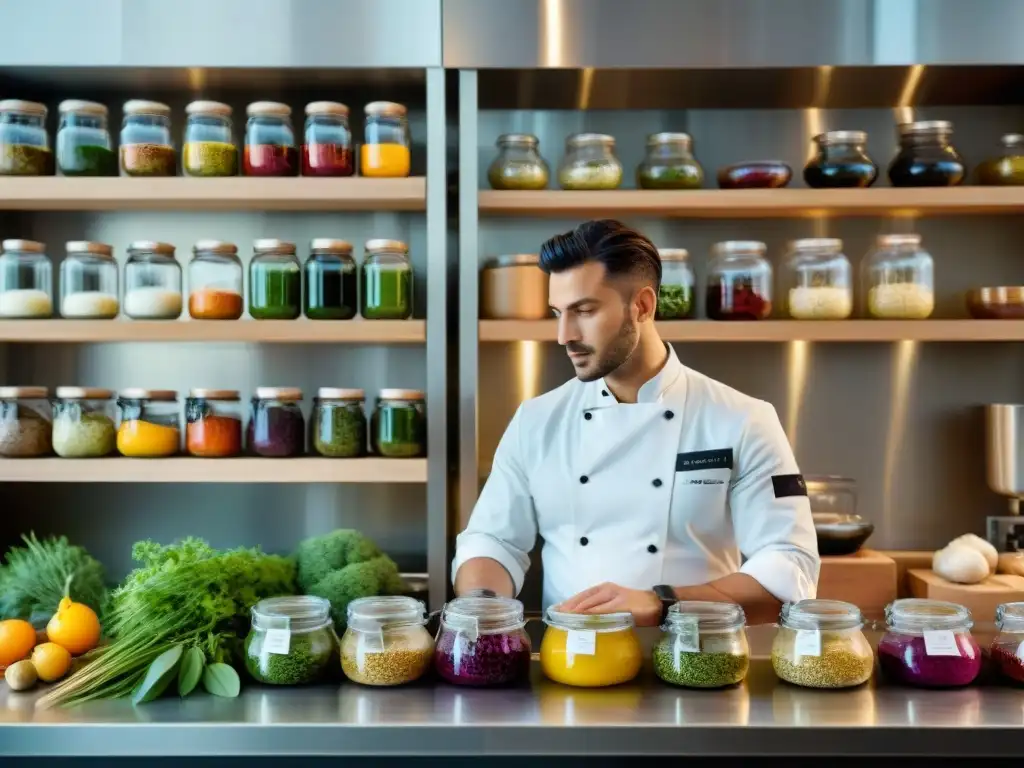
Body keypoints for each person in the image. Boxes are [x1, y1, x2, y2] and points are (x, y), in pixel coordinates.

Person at [452, 219, 819, 627]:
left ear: (642, 306)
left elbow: (790, 566)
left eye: (584, 311)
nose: (563, 335)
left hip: (700, 661)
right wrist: (482, 609)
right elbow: (492, 540)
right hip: (573, 660)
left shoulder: (743, 419)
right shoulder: (536, 421)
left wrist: (664, 604)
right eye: (558, 313)